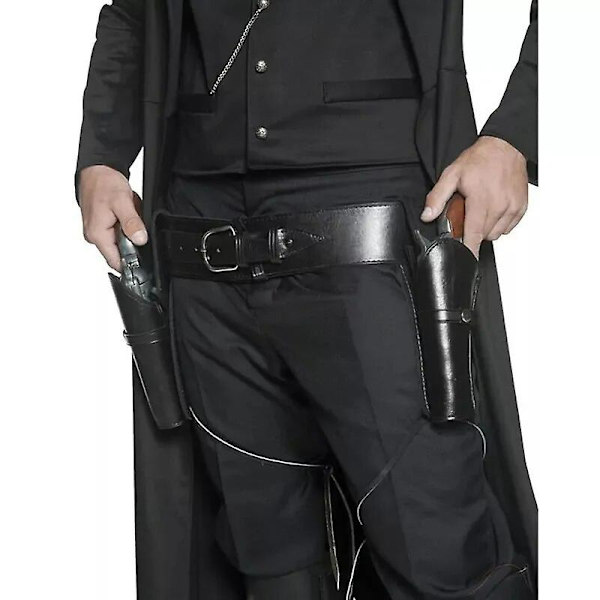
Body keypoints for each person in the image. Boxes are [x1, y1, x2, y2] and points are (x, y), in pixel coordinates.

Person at [76, 1, 538, 599]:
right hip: (202, 249)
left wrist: (515, 134)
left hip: (378, 242)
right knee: (265, 564)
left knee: (441, 552)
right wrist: (102, 155)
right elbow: (132, 11)